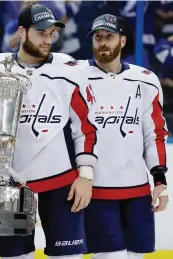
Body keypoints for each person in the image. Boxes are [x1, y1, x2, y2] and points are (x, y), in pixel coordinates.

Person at [0, 3, 98, 259]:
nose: (48, 39)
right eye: (41, 33)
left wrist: (86, 175)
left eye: (51, 33)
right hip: (5, 182)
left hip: (61, 182)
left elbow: (86, 128)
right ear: (21, 32)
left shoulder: (70, 70)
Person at [81, 14, 169, 259]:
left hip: (137, 192)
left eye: (109, 37)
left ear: (122, 40)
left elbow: (155, 134)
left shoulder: (146, 80)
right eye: (98, 37)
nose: (103, 43)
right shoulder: (75, 76)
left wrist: (159, 180)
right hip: (95, 190)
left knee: (135, 257)